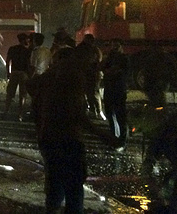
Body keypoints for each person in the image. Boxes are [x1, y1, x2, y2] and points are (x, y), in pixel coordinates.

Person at [28, 47, 118, 213]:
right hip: (69, 140)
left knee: (54, 182)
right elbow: (76, 114)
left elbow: (32, 92)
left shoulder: (49, 78)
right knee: (74, 187)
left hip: (48, 138)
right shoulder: (72, 78)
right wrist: (103, 135)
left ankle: (53, 209)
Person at [100, 39, 129, 149]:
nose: (114, 48)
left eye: (117, 45)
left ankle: (122, 140)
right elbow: (101, 67)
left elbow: (125, 71)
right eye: (113, 45)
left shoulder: (124, 58)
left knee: (120, 115)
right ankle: (115, 137)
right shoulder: (109, 58)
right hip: (110, 88)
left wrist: (114, 70)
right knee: (110, 114)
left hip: (118, 89)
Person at [3, 33, 32, 121]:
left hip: (14, 73)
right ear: (24, 40)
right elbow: (29, 64)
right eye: (27, 40)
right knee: (22, 95)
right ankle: (20, 115)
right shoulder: (28, 51)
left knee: (10, 94)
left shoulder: (12, 49)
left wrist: (8, 72)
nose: (28, 41)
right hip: (24, 74)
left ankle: (5, 112)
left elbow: (8, 61)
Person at [77, 34, 104, 119]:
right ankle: (96, 111)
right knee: (92, 92)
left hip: (90, 73)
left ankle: (96, 111)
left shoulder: (84, 49)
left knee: (92, 92)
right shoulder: (94, 49)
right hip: (91, 73)